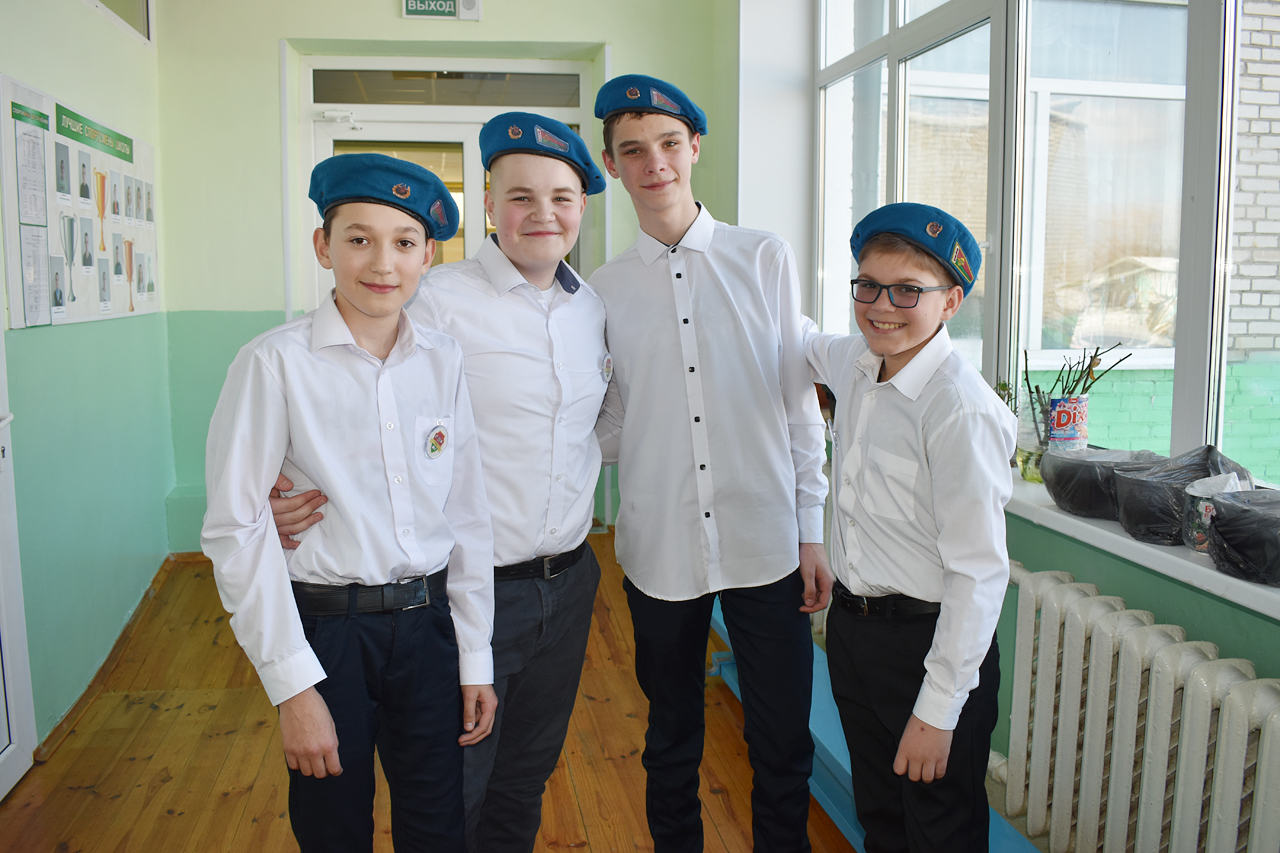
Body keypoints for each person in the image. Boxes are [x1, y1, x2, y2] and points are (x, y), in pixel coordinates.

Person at [272, 112, 610, 853]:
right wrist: (274, 482)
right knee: (453, 792)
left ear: (583, 206)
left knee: (525, 777)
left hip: (568, 583)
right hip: (466, 592)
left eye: (561, 196)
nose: (542, 214)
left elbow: (599, 426)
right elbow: (338, 388)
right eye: (519, 196)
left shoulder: (590, 308)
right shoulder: (434, 296)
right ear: (488, 205)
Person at [201, 152, 497, 853]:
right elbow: (235, 528)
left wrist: (474, 656)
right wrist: (293, 688)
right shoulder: (274, 363)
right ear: (322, 246)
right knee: (333, 826)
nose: (382, 263)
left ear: (428, 255)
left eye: (404, 242)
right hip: (328, 631)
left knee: (439, 824)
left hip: (427, 628)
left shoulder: (443, 359)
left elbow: (467, 515)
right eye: (359, 238)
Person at [589, 74, 831, 853]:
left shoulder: (763, 257)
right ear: (612, 165)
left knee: (782, 739)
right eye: (633, 150)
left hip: (766, 541)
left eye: (668, 143)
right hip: (660, 547)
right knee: (670, 739)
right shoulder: (600, 293)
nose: (654, 163)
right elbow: (611, 421)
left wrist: (812, 528)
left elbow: (798, 405)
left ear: (694, 147)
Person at [803, 203, 1015, 853]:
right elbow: (799, 338)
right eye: (868, 285)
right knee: (882, 817)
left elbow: (978, 573)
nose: (882, 306)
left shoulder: (960, 409)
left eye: (907, 291)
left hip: (927, 646)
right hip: (854, 632)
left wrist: (937, 709)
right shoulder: (857, 362)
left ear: (951, 301)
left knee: (938, 827)